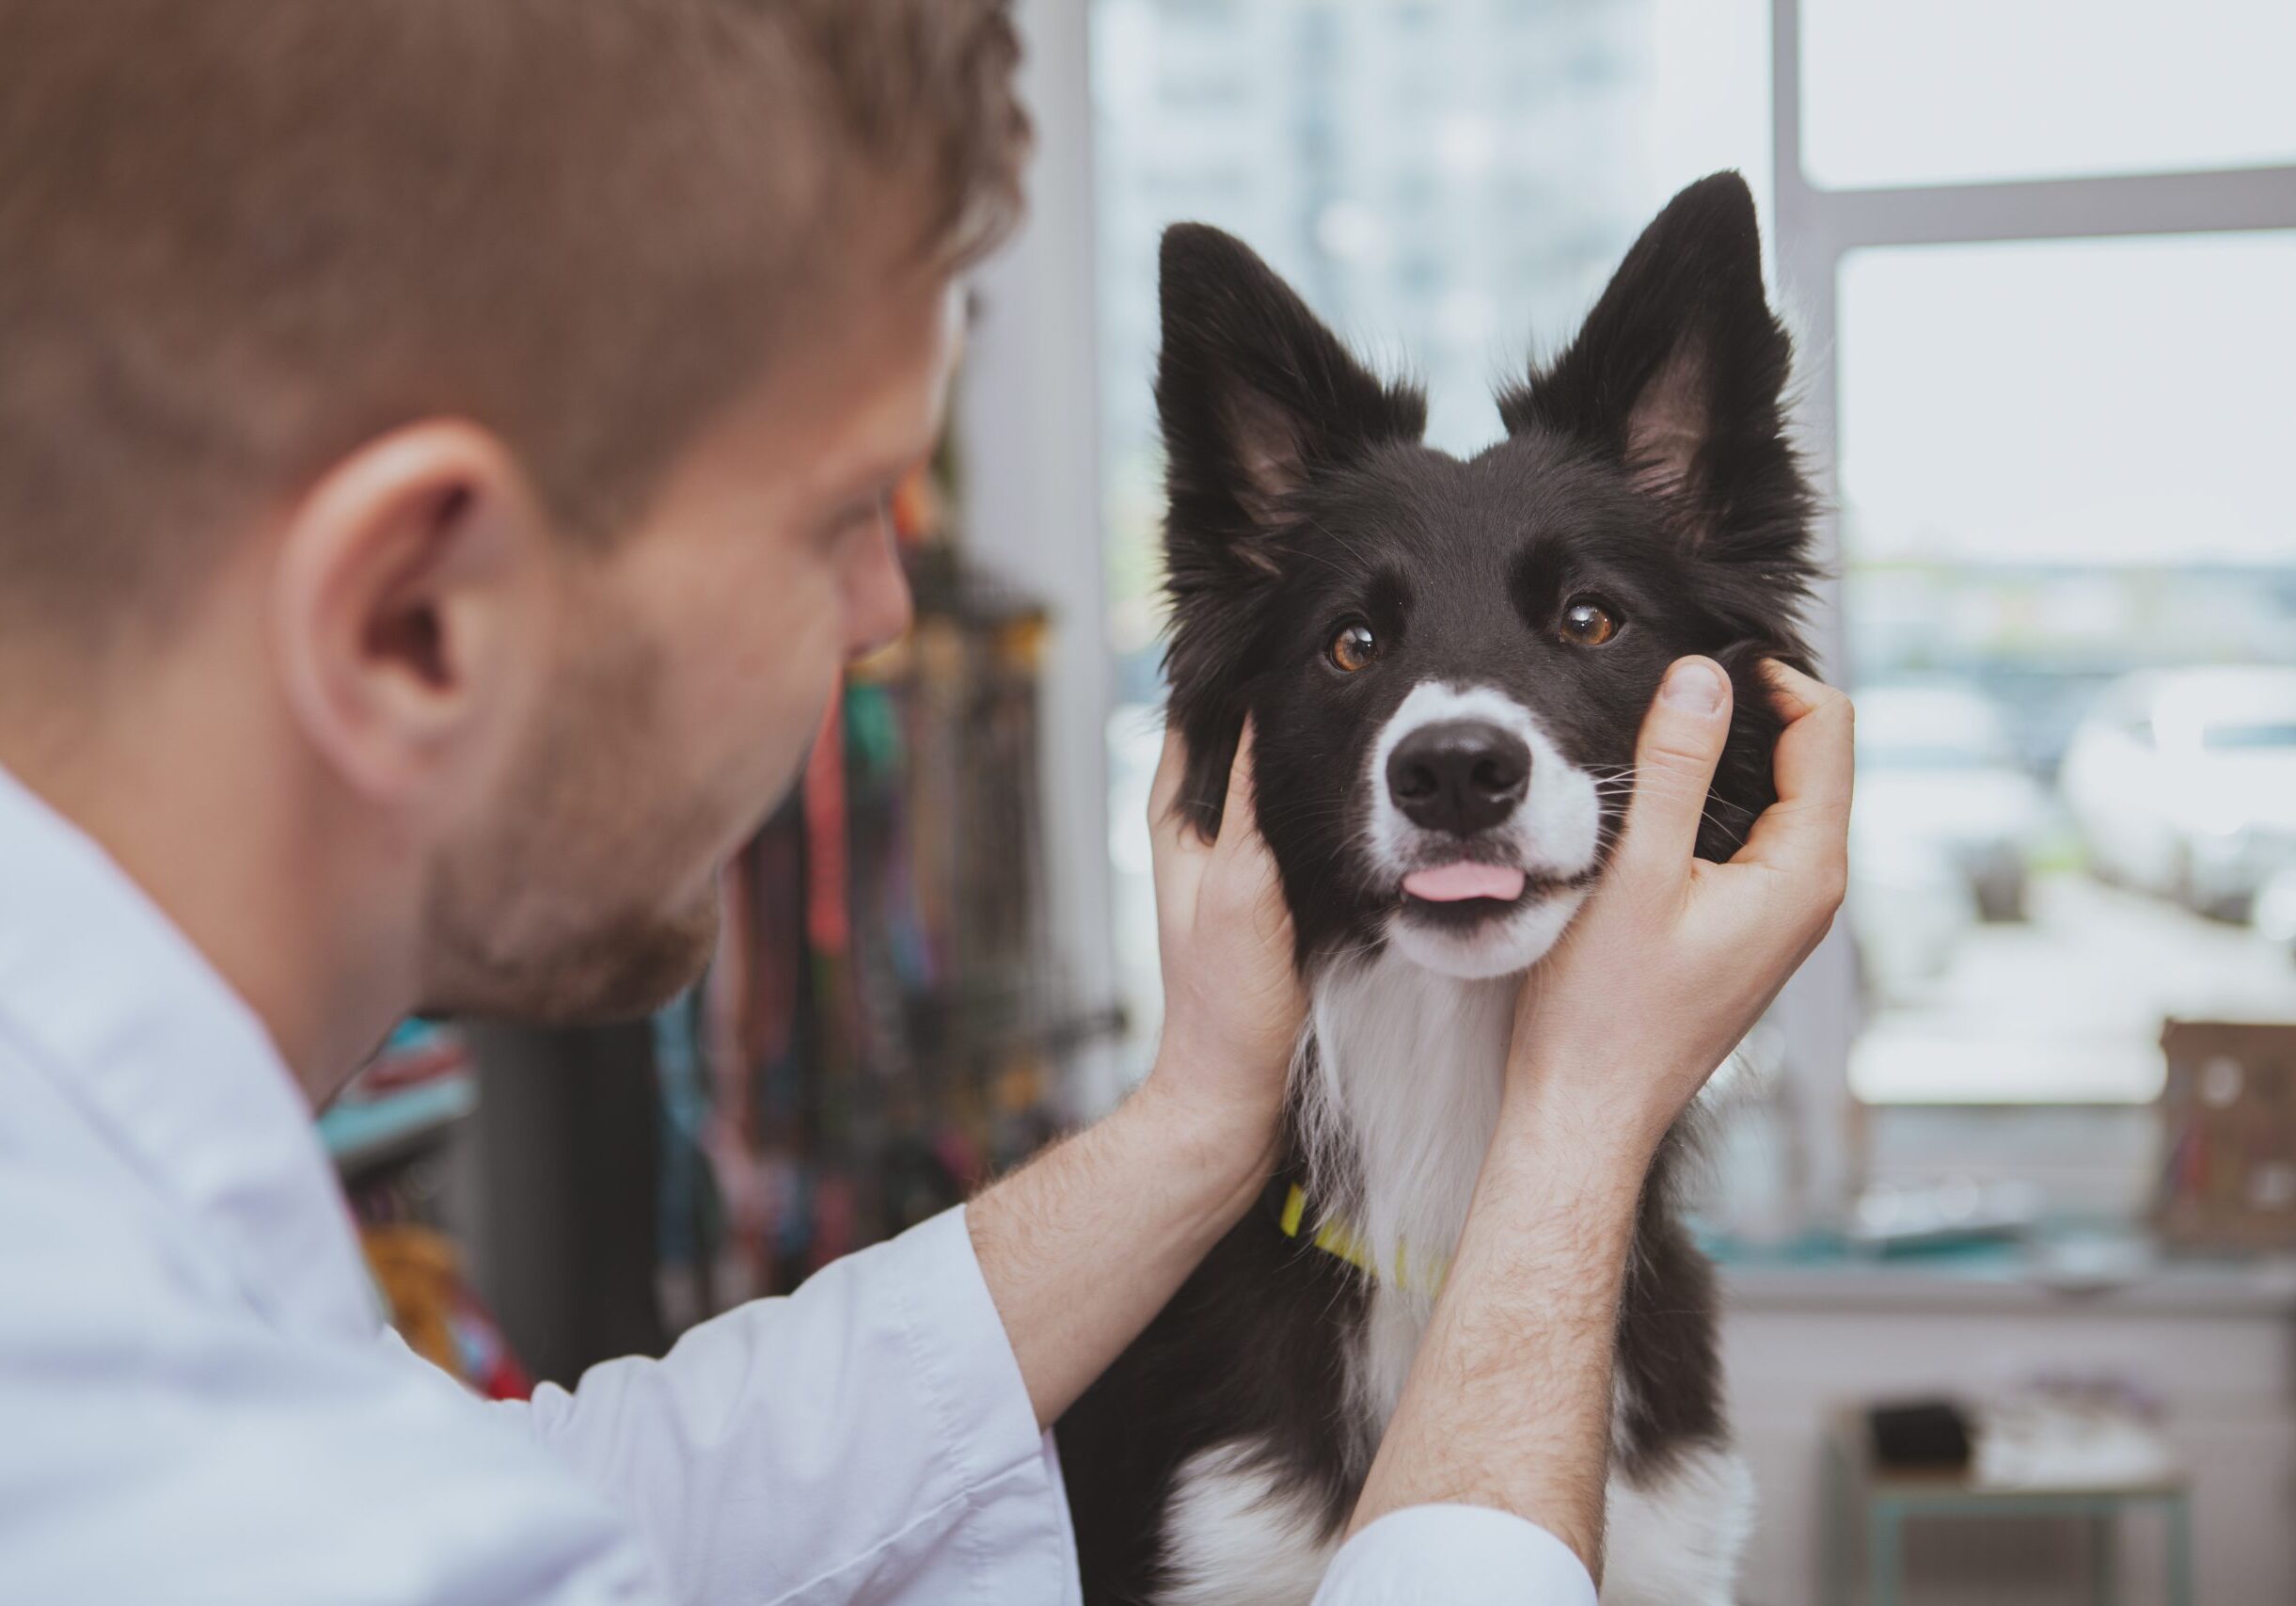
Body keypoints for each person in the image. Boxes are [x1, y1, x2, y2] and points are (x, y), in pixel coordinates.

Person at [0, 3, 1851, 1602]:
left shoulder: (141, 1284)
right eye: (840, 517)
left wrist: (1206, 1116)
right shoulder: (133, 1453)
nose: (891, 616)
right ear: (413, 614)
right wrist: (1581, 1114)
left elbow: (597, 1493)